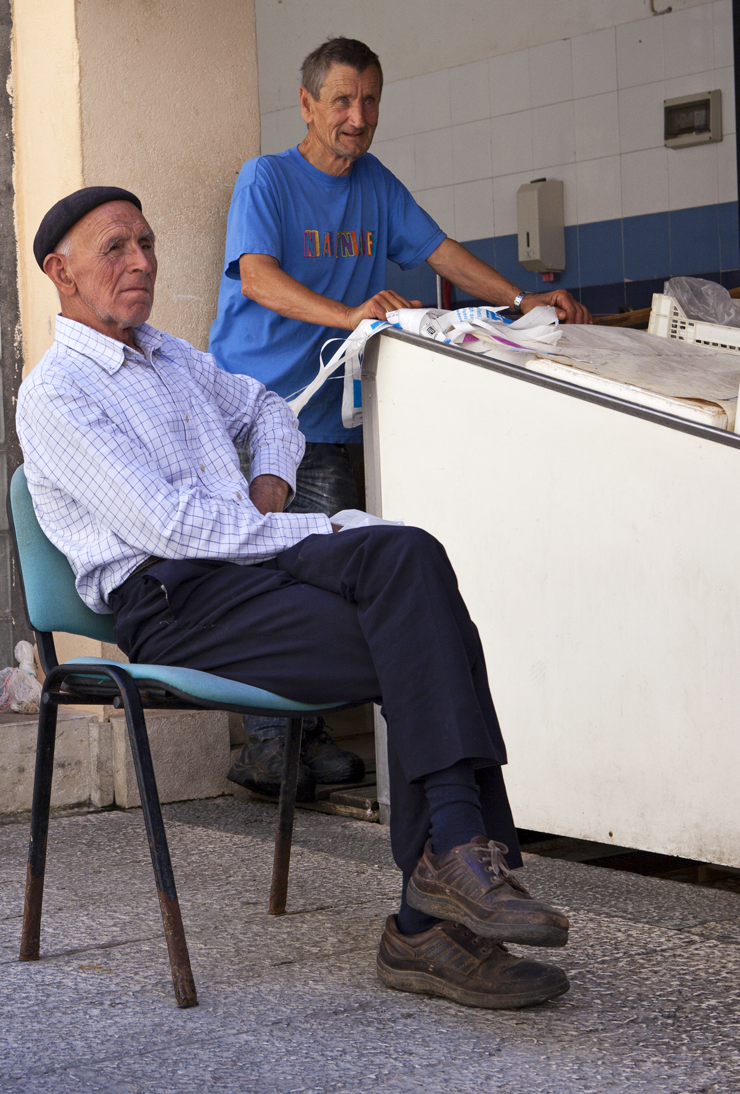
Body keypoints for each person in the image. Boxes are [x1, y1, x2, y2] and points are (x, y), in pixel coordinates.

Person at [17, 186, 571, 1009]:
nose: (141, 262)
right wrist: (306, 531)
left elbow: (268, 406)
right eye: (115, 249)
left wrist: (273, 481)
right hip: (174, 604)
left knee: (409, 555)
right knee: (422, 634)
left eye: (147, 241)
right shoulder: (58, 391)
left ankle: (445, 874)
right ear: (60, 271)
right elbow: (167, 524)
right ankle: (434, 909)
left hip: (247, 570)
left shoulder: (169, 356)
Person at [208, 37, 594, 799]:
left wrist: (523, 301)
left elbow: (441, 253)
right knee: (291, 576)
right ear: (307, 105)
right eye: (343, 101)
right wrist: (350, 314)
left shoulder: (376, 186)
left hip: (343, 414)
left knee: (336, 574)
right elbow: (257, 279)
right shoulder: (267, 180)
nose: (357, 117)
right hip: (269, 414)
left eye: (370, 100)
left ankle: (296, 733)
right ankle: (271, 745)